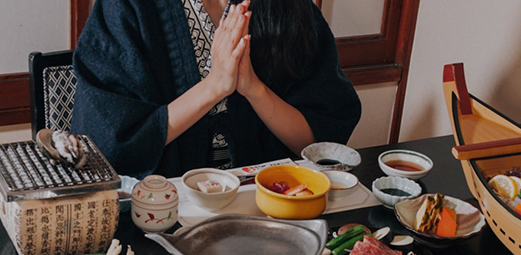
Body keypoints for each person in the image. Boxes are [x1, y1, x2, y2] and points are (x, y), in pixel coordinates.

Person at [72, 0, 361, 178]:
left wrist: (255, 90)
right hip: (161, 211)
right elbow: (108, 146)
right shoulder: (127, 6)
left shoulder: (289, 8)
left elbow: (318, 144)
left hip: (270, 203)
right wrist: (213, 87)